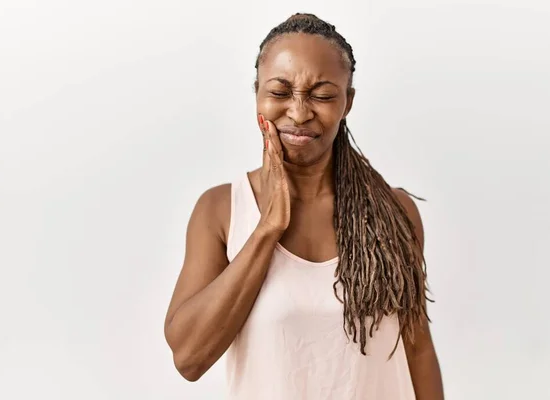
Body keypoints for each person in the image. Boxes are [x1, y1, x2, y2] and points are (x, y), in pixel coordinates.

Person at [164, 13, 444, 400]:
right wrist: (268, 229)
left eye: (323, 95)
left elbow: (418, 351)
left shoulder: (394, 213)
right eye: (279, 93)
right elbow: (188, 358)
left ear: (348, 102)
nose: (298, 112)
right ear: (257, 94)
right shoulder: (221, 210)